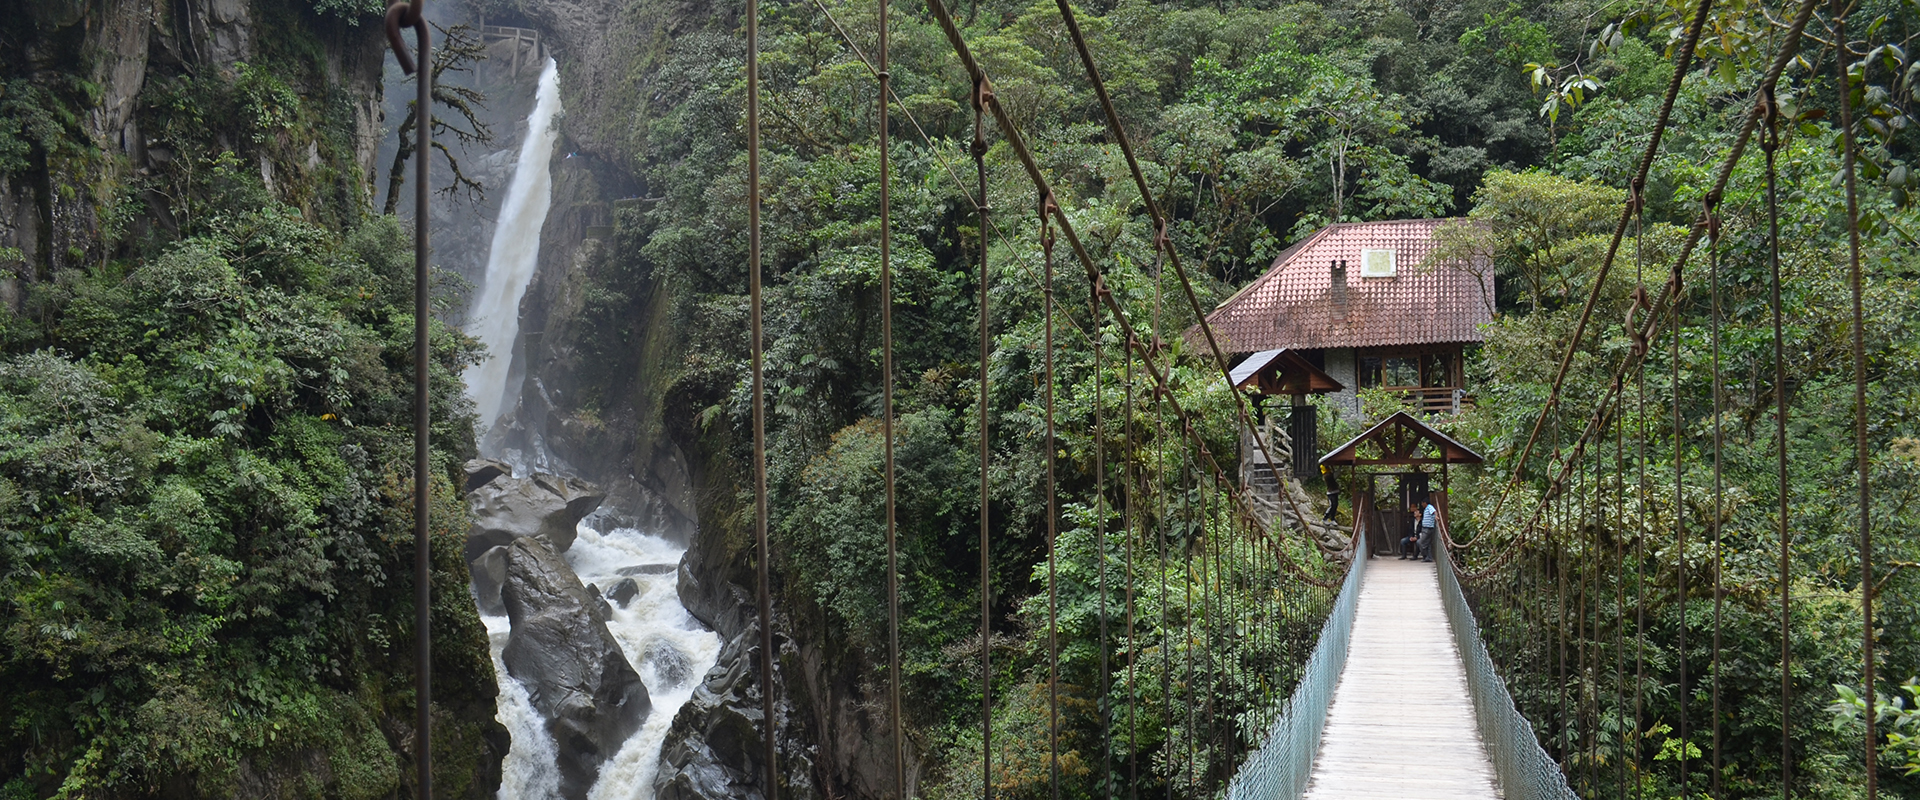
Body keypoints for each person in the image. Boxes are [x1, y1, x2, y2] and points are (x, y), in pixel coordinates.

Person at [1417, 496, 1439, 562]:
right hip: (1426, 528)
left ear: (1425, 503)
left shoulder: (1429, 507)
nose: (1422, 505)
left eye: (1422, 503)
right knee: (1428, 543)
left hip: (1427, 528)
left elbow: (1434, 512)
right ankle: (1429, 557)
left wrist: (1436, 516)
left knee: (1421, 543)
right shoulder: (1427, 508)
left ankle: (1425, 556)